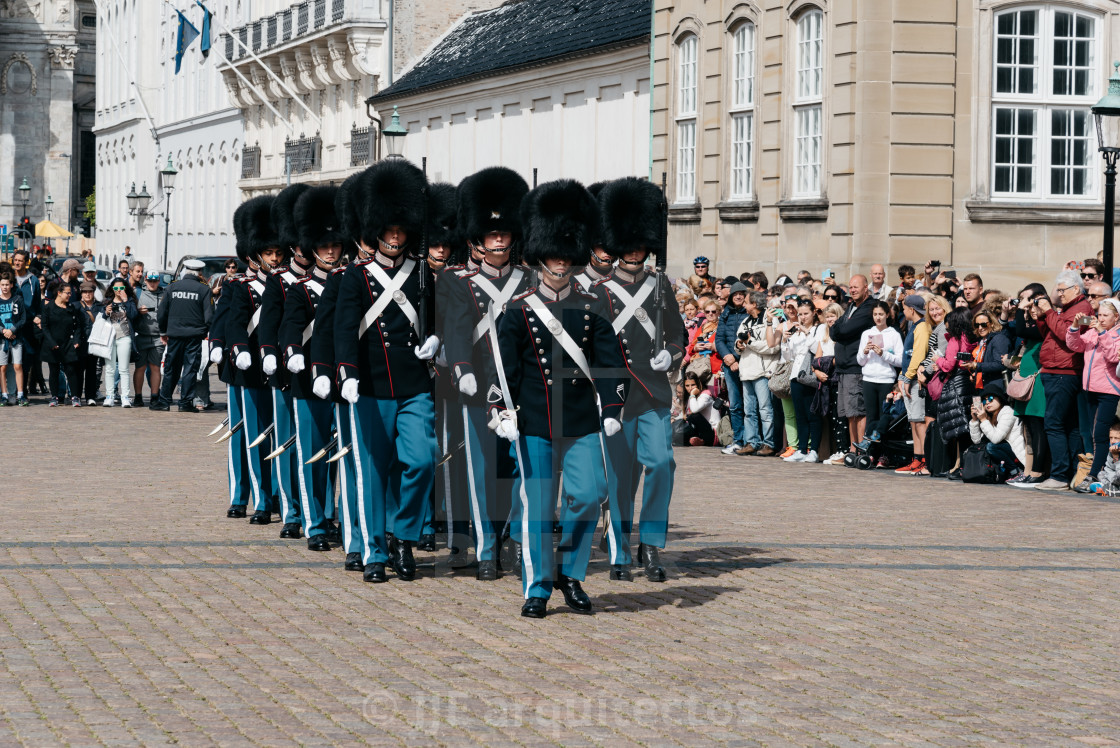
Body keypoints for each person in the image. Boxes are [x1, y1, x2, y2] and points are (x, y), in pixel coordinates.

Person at [489, 178, 627, 619]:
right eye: (554, 256)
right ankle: (538, 586)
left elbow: (609, 361)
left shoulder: (592, 307)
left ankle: (570, 571)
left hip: (581, 419)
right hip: (533, 420)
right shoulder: (519, 310)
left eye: (567, 256)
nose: (561, 264)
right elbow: (503, 369)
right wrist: (500, 411)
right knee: (538, 505)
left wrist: (613, 407)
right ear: (540, 256)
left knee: (590, 494)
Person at [334, 160, 439, 584]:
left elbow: (432, 319)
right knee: (374, 471)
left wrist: (435, 340)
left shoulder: (419, 274)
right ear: (376, 230)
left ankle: (404, 536)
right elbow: (344, 327)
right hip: (372, 384)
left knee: (422, 460)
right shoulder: (356, 276)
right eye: (389, 229)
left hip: (414, 384)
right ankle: (376, 551)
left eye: (401, 230)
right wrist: (347, 372)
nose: (395, 237)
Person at [443, 166, 532, 580]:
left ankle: (514, 536)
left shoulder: (529, 279)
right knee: (481, 471)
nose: (499, 239)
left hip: (521, 388)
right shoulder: (463, 282)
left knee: (520, 468)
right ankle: (485, 547)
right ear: (478, 239)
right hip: (479, 386)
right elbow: (458, 330)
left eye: (504, 233)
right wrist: (462, 369)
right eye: (491, 234)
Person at [596, 177, 685, 583]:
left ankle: (650, 543)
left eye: (640, 243)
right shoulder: (598, 292)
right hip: (615, 394)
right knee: (618, 475)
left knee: (662, 463)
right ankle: (618, 548)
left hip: (651, 391)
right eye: (628, 243)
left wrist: (672, 351)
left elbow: (676, 335)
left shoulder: (659, 284)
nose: (634, 250)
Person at [279, 185, 345, 551]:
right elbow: (290, 326)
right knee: (312, 453)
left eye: (335, 246)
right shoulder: (301, 289)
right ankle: (313, 522)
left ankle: (332, 515)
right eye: (324, 246)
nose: (331, 251)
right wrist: (293, 353)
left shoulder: (352, 284)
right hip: (308, 381)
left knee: (337, 454)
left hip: (343, 379)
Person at [257, 183, 312, 539]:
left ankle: (319, 509)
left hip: (321, 371)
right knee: (289, 442)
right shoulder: (279, 281)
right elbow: (269, 324)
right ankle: (293, 510)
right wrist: (272, 357)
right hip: (286, 371)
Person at [226, 196, 283, 523]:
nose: (274, 258)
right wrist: (228, 349)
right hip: (251, 370)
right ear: (256, 254)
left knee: (282, 438)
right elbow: (232, 323)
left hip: (283, 370)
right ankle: (256, 497)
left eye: (278, 252)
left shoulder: (290, 286)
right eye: (269, 253)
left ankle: (278, 493)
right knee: (254, 436)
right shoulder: (241, 287)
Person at [1032, 270, 1092, 491]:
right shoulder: (1068, 308)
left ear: (1076, 289)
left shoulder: (1082, 308)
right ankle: (1071, 472)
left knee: (1054, 423)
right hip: (1058, 370)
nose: (1059, 294)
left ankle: (1059, 475)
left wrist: (1049, 312)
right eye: (1057, 290)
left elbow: (1067, 336)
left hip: (1063, 372)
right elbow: (1049, 333)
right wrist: (1041, 315)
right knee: (1069, 425)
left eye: (1062, 290)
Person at [1065, 297, 1120, 492]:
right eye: (1099, 315)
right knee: (1090, 432)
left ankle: (1094, 474)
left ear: (1117, 317)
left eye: (1106, 316)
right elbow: (1075, 346)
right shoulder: (1093, 332)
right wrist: (1074, 327)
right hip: (1090, 388)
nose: (1101, 319)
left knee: (1100, 433)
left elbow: (1113, 356)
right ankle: (1098, 471)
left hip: (1108, 390)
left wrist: (1102, 333)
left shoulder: (1115, 335)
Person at [152, 259, 212, 412]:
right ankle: (185, 403)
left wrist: (164, 331)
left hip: (174, 335)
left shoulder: (172, 287)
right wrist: (205, 331)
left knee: (172, 368)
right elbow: (209, 316)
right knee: (190, 369)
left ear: (185, 270)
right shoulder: (204, 289)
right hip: (194, 336)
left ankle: (164, 401)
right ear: (200, 273)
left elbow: (161, 313)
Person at [831, 274, 875, 453]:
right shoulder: (850, 307)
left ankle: (859, 449)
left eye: (857, 287)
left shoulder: (869, 307)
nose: (853, 290)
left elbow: (845, 329)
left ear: (866, 287)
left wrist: (839, 329)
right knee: (849, 413)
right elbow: (835, 330)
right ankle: (852, 448)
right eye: (851, 287)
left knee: (857, 411)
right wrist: (838, 328)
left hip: (855, 367)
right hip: (844, 367)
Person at [933, 307, 977, 480]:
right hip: (969, 382)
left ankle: (958, 465)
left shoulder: (955, 339)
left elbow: (949, 364)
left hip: (957, 383)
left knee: (959, 429)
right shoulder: (972, 338)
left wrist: (938, 360)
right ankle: (959, 464)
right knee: (967, 427)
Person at [734, 290, 779, 456]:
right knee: (749, 411)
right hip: (746, 370)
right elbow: (738, 342)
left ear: (754, 304)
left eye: (746, 302)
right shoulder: (746, 321)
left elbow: (772, 347)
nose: (743, 304)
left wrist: (750, 342)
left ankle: (769, 443)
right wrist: (738, 346)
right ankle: (751, 442)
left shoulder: (770, 319)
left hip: (762, 372)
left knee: (765, 410)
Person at [855, 300, 903, 447]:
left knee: (885, 416)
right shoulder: (867, 333)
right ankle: (869, 450)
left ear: (887, 315)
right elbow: (860, 361)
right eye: (875, 314)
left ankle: (883, 453)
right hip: (869, 379)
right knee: (871, 416)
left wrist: (883, 354)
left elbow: (900, 361)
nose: (878, 318)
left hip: (886, 379)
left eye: (881, 314)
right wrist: (864, 352)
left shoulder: (893, 334)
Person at [783, 299, 826, 463]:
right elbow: (789, 356)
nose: (802, 317)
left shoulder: (819, 329)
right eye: (800, 314)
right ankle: (801, 449)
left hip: (811, 376)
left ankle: (814, 450)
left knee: (812, 414)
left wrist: (807, 333)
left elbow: (817, 350)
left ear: (814, 312)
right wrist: (785, 340)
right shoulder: (796, 330)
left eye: (806, 313)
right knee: (799, 415)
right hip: (796, 375)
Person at [895, 294, 932, 473]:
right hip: (909, 378)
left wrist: (908, 377)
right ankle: (917, 458)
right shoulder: (914, 326)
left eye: (904, 308)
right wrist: (902, 377)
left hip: (916, 380)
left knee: (919, 421)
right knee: (913, 421)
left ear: (911, 309)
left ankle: (924, 459)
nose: (903, 311)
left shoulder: (923, 327)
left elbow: (918, 355)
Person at [716, 282, 749, 453]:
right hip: (730, 364)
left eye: (741, 294)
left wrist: (738, 359)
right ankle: (738, 439)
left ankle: (752, 441)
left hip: (748, 363)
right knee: (735, 404)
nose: (738, 296)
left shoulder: (749, 313)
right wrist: (728, 357)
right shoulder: (726, 314)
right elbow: (719, 339)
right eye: (735, 294)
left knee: (751, 405)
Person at [40, 281, 84, 406]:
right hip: (53, 343)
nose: (70, 295)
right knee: (54, 371)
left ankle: (75, 396)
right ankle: (54, 396)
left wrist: (76, 340)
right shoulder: (48, 308)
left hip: (68, 343)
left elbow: (78, 326)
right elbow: (45, 326)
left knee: (71, 370)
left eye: (71, 293)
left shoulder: (72, 308)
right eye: (67, 293)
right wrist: (51, 342)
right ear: (59, 293)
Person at [968, 379, 1026, 474]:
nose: (987, 403)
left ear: (999, 398)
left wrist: (983, 420)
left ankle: (1016, 471)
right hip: (1006, 451)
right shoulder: (988, 416)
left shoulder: (1008, 412)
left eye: (990, 398)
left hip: (1017, 453)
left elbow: (996, 439)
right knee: (987, 446)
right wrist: (975, 420)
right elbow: (977, 441)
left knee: (991, 447)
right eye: (984, 400)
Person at [97, 278, 138, 407]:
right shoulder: (107, 302)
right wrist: (105, 312)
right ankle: (109, 396)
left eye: (121, 288)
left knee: (124, 369)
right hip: (109, 338)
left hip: (124, 337)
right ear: (112, 289)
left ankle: (125, 396)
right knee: (109, 368)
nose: (119, 291)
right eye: (116, 288)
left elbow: (133, 316)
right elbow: (101, 320)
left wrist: (126, 300)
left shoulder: (130, 301)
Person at [132, 270, 165, 406]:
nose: (152, 283)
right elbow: (129, 312)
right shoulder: (138, 293)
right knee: (140, 367)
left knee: (155, 367)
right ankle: (138, 396)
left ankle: (154, 396)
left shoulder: (164, 294)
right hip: (142, 336)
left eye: (155, 280)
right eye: (150, 280)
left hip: (158, 337)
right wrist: (138, 312)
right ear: (145, 280)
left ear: (159, 281)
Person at [963, 310, 1009, 391]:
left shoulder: (999, 339)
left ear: (991, 323)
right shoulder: (982, 341)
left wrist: (976, 365)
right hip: (984, 386)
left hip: (996, 388)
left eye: (984, 324)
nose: (980, 328)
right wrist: (976, 374)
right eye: (977, 325)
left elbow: (1000, 364)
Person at [0, 274, 28, 406]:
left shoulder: (17, 300)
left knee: (18, 365)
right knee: (3, 367)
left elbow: (23, 319)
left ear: (11, 285)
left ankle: (20, 394)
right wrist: (4, 331)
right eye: (2, 285)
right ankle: (4, 395)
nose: (5, 287)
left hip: (16, 338)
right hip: (2, 339)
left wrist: (13, 330)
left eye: (7, 284)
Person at [74, 281, 102, 405]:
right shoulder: (75, 306)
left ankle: (91, 396)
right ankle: (77, 396)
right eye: (85, 292)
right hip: (81, 343)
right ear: (81, 293)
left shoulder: (100, 307)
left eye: (89, 292)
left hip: (94, 342)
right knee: (78, 371)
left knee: (92, 371)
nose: (87, 294)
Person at [681, 371, 720, 446]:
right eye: (687, 386)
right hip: (699, 430)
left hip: (713, 434)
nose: (690, 388)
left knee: (694, 416)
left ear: (698, 384)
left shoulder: (705, 395)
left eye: (693, 385)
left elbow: (695, 410)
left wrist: (692, 394)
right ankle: (694, 440)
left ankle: (702, 441)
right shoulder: (690, 398)